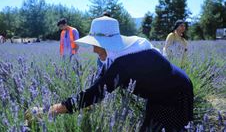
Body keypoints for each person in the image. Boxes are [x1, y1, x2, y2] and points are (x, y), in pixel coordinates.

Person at [27, 16, 194, 131]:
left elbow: (95, 93)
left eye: (96, 44)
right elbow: (98, 88)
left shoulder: (125, 61)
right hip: (160, 95)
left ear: (107, 43)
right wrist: (83, 104)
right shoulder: (126, 49)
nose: (93, 49)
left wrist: (50, 110)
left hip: (176, 94)